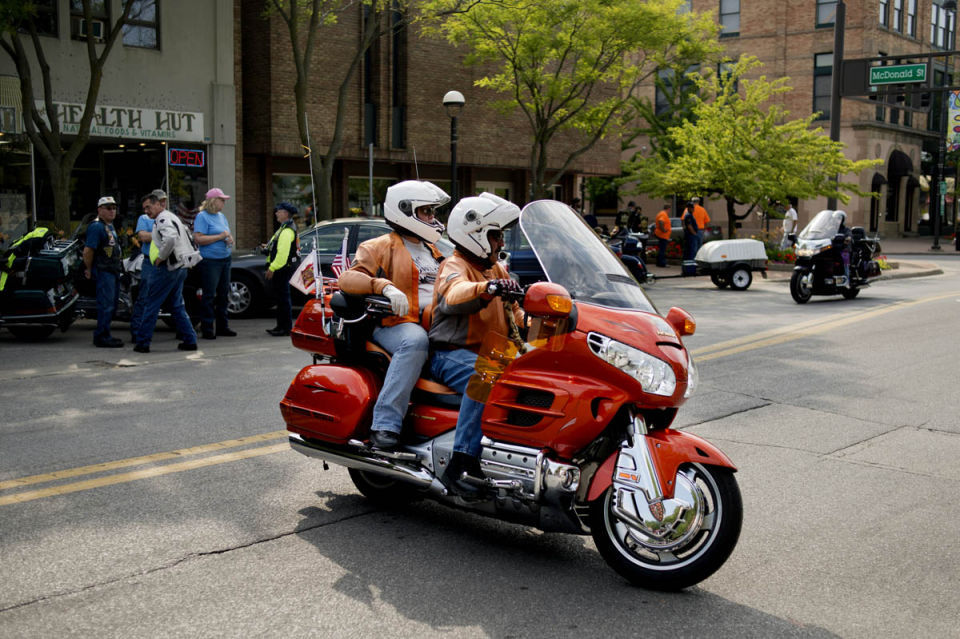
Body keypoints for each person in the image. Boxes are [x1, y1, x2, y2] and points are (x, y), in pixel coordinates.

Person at [338, 180, 450, 451]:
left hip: (436, 321)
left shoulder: (436, 251)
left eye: (433, 212)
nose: (432, 218)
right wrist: (384, 286)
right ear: (405, 210)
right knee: (415, 342)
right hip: (395, 323)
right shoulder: (378, 246)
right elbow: (348, 279)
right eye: (426, 212)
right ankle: (385, 424)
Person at [429, 193, 524, 497]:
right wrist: (487, 288)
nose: (501, 243)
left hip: (494, 353)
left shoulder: (495, 269)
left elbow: (517, 315)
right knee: (485, 376)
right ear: (476, 234)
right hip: (452, 354)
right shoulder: (453, 265)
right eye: (496, 236)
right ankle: (460, 464)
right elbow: (454, 295)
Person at [132, 199, 201, 353]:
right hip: (180, 267)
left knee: (152, 305)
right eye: (144, 209)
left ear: (159, 205)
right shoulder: (172, 217)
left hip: (167, 268)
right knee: (177, 305)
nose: (146, 211)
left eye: (149, 207)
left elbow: (170, 238)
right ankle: (190, 340)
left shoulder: (162, 219)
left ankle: (143, 342)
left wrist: (161, 257)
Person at [194, 187, 236, 339]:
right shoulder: (202, 217)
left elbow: (226, 233)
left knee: (224, 294)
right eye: (222, 200)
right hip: (210, 261)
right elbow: (198, 239)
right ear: (213, 201)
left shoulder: (221, 216)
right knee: (209, 294)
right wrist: (220, 236)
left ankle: (222, 326)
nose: (224, 203)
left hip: (225, 258)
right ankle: (207, 328)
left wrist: (229, 239)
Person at [83, 196, 124, 348]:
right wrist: (88, 268)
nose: (112, 211)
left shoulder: (110, 226)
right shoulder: (96, 226)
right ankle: (101, 336)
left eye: (114, 208)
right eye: (108, 208)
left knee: (112, 304)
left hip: (112, 270)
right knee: (106, 304)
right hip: (103, 270)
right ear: (99, 210)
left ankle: (105, 333)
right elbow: (88, 250)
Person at [129, 189, 166, 342]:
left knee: (172, 298)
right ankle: (137, 332)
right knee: (144, 297)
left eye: (164, 200)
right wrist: (160, 234)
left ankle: (183, 332)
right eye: (160, 200)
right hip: (150, 262)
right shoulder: (144, 218)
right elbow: (143, 236)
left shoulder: (167, 217)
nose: (163, 203)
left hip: (166, 262)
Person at [263, 202, 300, 336]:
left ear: (285, 213)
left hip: (281, 269)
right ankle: (281, 326)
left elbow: (282, 254)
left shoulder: (286, 231)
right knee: (281, 299)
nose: (276, 213)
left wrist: (272, 268)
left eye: (279, 211)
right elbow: (276, 246)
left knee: (283, 299)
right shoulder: (284, 228)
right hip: (282, 268)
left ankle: (284, 328)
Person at [654, 202, 672, 268]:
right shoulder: (664, 214)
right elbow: (661, 221)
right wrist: (663, 230)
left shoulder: (661, 213)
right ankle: (662, 263)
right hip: (663, 235)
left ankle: (659, 262)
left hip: (661, 234)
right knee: (662, 249)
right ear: (668, 209)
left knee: (661, 249)